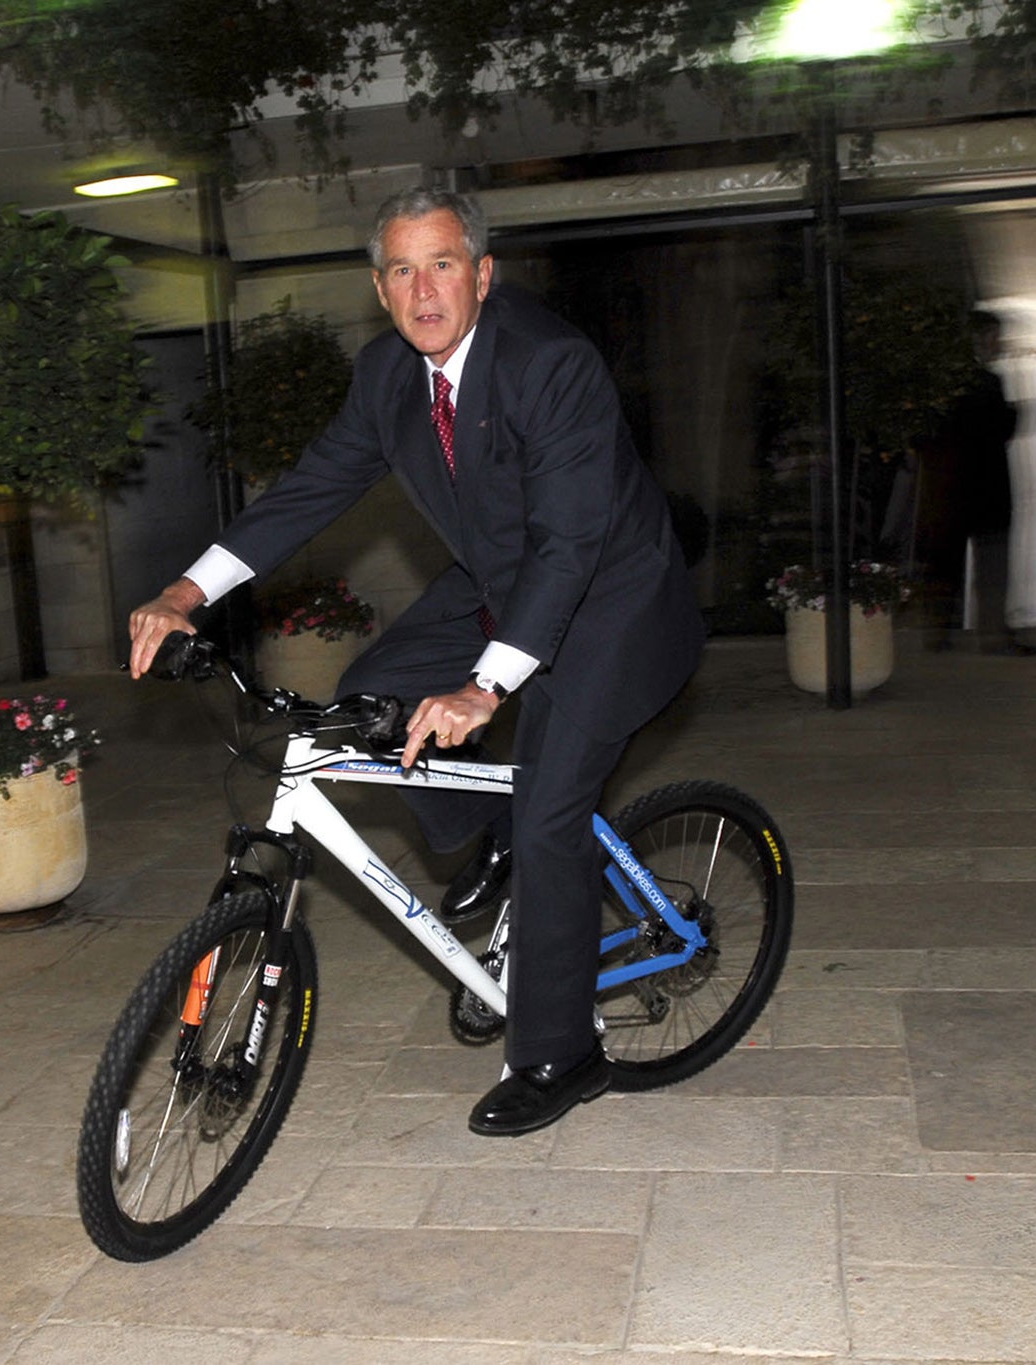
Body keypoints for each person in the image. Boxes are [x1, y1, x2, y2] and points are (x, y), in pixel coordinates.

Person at [126, 187, 703, 1137]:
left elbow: (568, 545)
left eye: (442, 265)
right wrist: (187, 591)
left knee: (553, 811)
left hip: (611, 603)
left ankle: (562, 1055)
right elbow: (311, 489)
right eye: (402, 270)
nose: (423, 290)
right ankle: (493, 835)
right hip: (501, 583)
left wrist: (484, 686)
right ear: (379, 288)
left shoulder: (549, 363)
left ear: (483, 274)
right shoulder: (389, 376)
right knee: (371, 697)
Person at [942, 309, 1035, 655]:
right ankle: (992, 633)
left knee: (953, 561)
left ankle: (944, 631)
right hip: (987, 486)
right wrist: (1017, 411)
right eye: (995, 337)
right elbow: (1000, 429)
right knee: (992, 563)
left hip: (958, 484)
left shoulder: (952, 382)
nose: (1000, 345)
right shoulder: (985, 383)